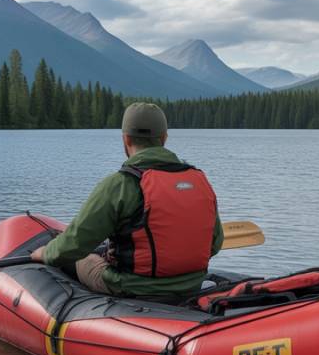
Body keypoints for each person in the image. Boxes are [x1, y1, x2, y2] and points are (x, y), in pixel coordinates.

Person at [31, 102, 223, 298]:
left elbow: (71, 247)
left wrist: (44, 253)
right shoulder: (199, 180)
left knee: (84, 258)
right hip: (192, 284)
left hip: (132, 287)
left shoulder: (120, 184)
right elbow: (215, 244)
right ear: (164, 138)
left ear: (126, 139)